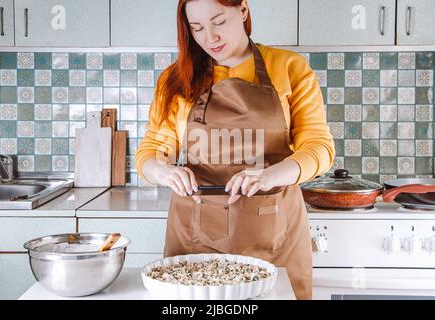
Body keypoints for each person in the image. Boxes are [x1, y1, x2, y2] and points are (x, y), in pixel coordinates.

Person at [136, 0, 335, 300]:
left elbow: (319, 147)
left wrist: (270, 176)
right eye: (198, 28)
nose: (210, 38)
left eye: (219, 21)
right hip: (194, 244)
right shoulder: (176, 79)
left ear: (243, 10)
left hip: (275, 236)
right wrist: (162, 171)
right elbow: (151, 149)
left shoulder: (289, 68)